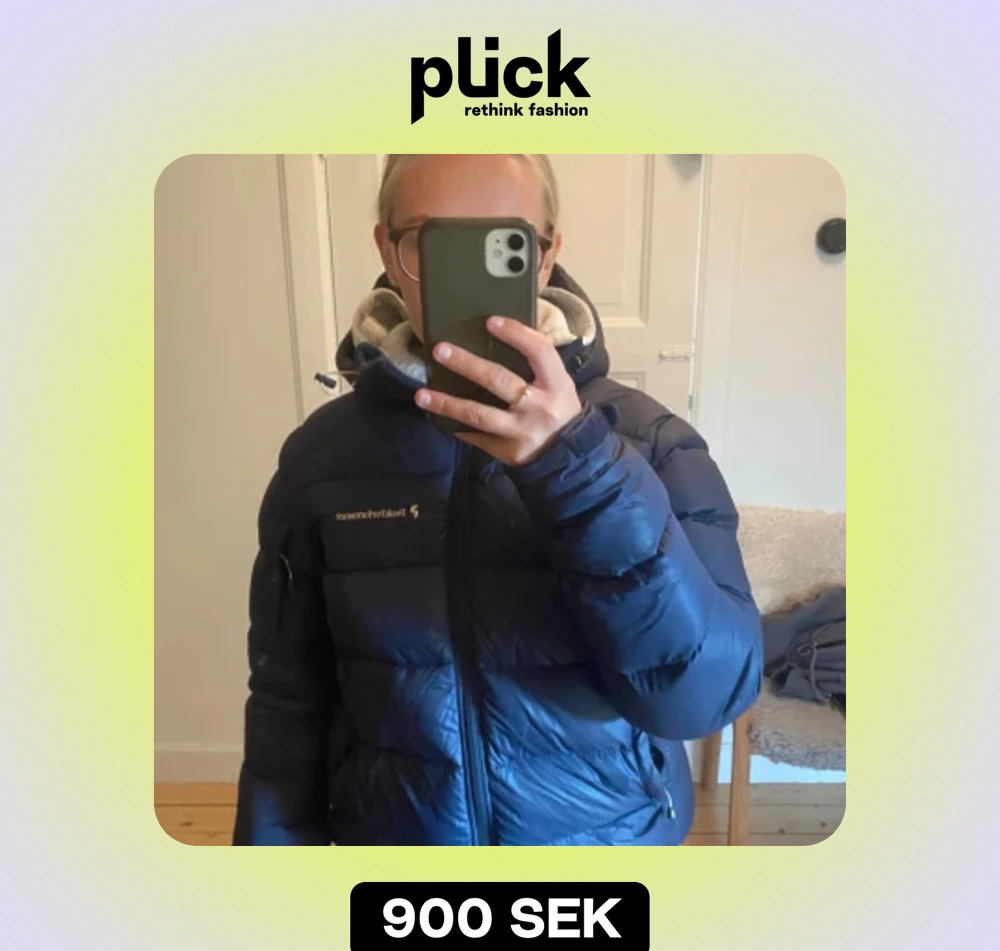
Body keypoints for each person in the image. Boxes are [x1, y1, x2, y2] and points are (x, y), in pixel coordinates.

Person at [232, 154, 762, 846]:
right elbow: (287, 703)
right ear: (388, 252)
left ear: (546, 257)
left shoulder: (651, 444)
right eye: (432, 241)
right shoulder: (321, 459)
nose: (465, 274)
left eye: (501, 242)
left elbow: (703, 696)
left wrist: (578, 471)